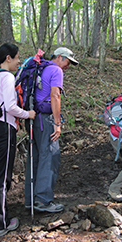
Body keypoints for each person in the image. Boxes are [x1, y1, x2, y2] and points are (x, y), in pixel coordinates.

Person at [0, 43, 35, 238]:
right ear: (8, 58)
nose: (19, 62)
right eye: (17, 58)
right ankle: (1, 224)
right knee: (2, 179)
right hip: (3, 130)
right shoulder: (7, 77)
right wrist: (28, 114)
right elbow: (11, 107)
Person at [24, 47, 79, 213]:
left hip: (32, 117)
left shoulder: (40, 68)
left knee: (35, 157)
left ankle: (30, 199)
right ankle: (43, 200)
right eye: (68, 62)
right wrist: (57, 122)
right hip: (45, 120)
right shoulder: (56, 70)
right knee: (50, 156)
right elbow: (55, 96)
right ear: (60, 57)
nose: (68, 66)